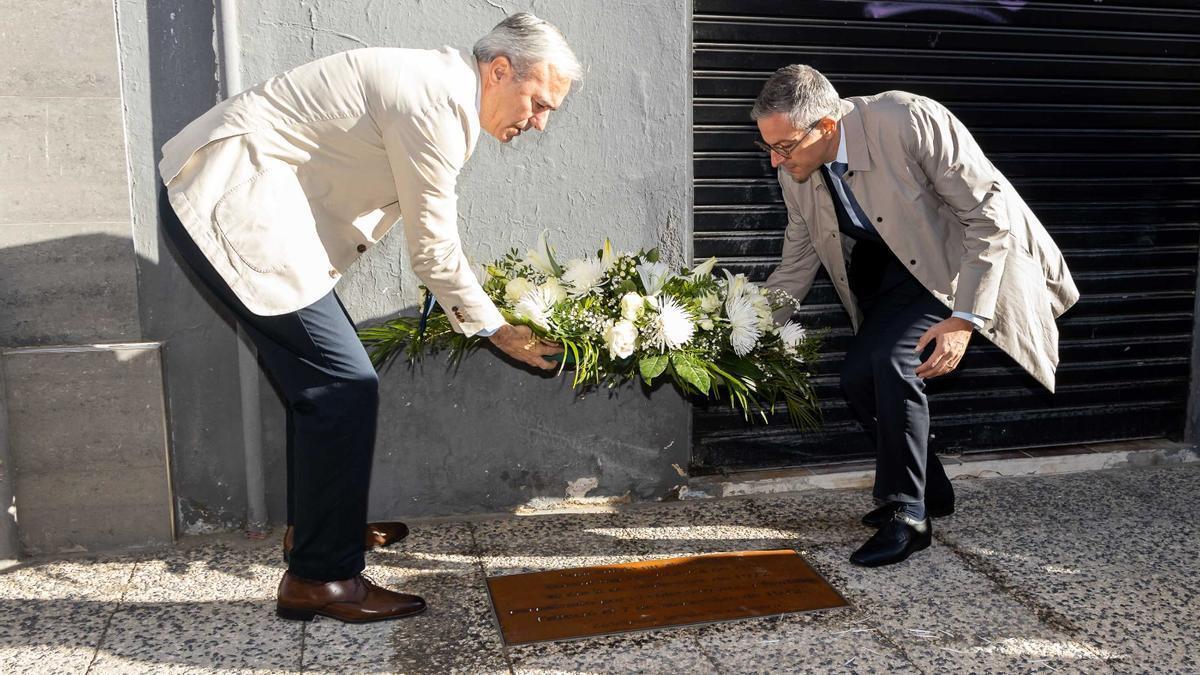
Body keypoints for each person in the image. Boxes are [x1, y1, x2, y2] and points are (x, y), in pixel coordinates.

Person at [158, 13, 579, 622]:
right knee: (342, 384)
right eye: (538, 103)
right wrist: (496, 329)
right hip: (228, 202)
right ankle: (321, 579)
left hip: (249, 208)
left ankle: (320, 534)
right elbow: (433, 250)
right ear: (498, 71)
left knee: (325, 387)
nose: (538, 122)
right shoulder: (439, 104)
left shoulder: (437, 86)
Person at [753, 65, 1078, 567]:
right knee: (857, 379)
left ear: (828, 126)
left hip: (952, 263)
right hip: (885, 272)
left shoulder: (907, 120)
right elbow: (798, 259)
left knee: (894, 361)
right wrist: (749, 329)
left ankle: (908, 513)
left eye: (786, 147)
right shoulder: (798, 172)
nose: (776, 161)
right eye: (769, 147)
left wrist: (966, 319)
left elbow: (990, 219)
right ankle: (931, 490)